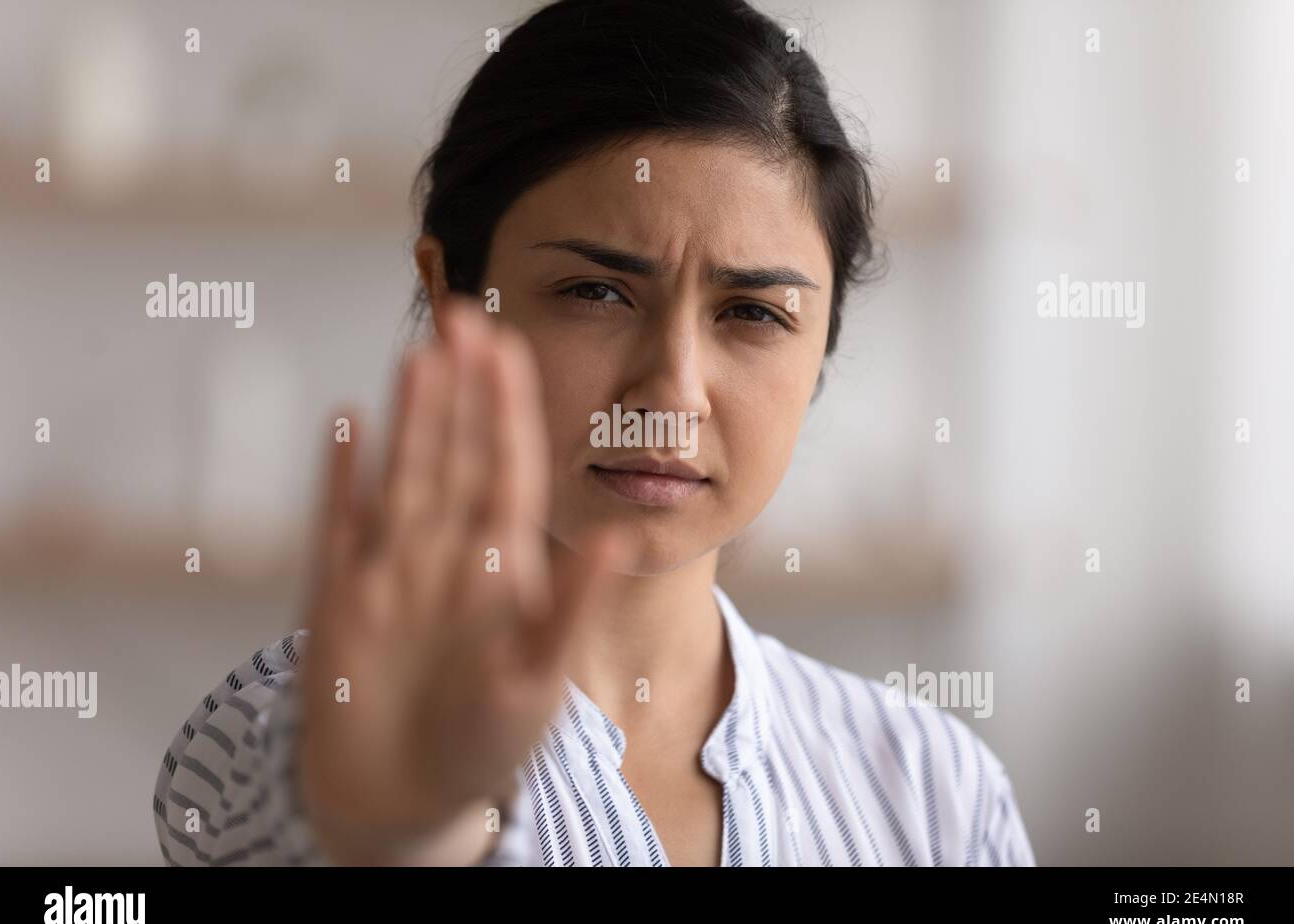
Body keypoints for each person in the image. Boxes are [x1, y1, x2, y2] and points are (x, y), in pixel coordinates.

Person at [153, 0, 1036, 867]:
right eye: (596, 292)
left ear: (824, 347)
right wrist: (395, 831)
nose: (672, 392)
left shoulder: (935, 789)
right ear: (456, 293)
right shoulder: (306, 724)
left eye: (753, 312)